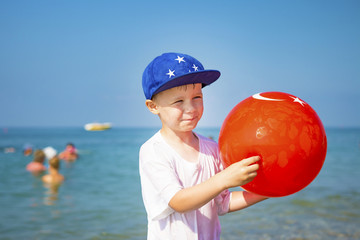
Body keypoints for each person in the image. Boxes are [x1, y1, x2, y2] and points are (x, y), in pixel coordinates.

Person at [139, 52, 268, 239]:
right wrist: (224, 179)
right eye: (178, 101)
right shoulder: (153, 151)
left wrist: (270, 191)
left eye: (197, 97)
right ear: (153, 107)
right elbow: (178, 202)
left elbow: (223, 203)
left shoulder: (212, 148)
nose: (191, 109)